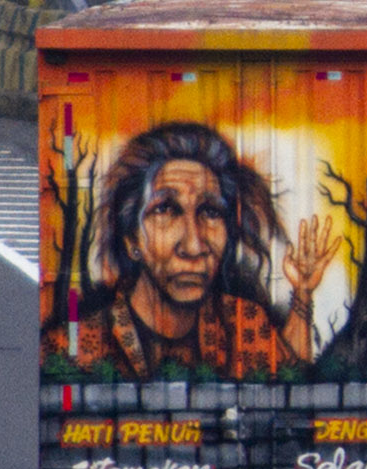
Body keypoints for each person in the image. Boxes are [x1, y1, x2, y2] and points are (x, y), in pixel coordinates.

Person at [74, 121, 344, 381]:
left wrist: (303, 294)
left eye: (211, 212)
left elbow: (290, 382)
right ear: (131, 238)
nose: (194, 246)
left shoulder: (242, 324)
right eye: (165, 209)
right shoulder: (83, 342)